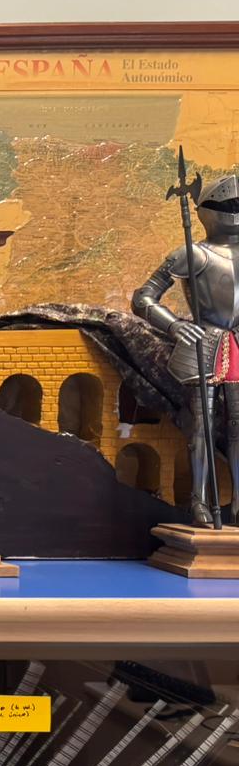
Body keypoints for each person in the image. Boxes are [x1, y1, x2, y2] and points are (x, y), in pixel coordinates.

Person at [134, 173, 239, 526]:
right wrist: (174, 325)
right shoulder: (194, 253)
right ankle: (199, 502)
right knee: (201, 429)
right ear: (206, 211)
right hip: (203, 342)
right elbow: (144, 297)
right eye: (227, 205)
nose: (234, 210)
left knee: (238, 427)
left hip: (237, 344)